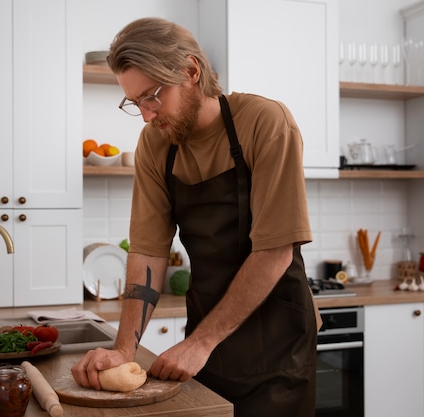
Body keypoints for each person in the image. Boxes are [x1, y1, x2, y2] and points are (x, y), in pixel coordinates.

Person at [72, 17, 319, 416]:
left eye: (152, 96)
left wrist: (200, 343)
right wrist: (123, 348)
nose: (148, 115)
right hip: (207, 339)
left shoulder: (265, 122)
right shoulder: (156, 143)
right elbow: (148, 252)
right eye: (135, 104)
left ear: (190, 71)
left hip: (277, 344)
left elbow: (275, 252)